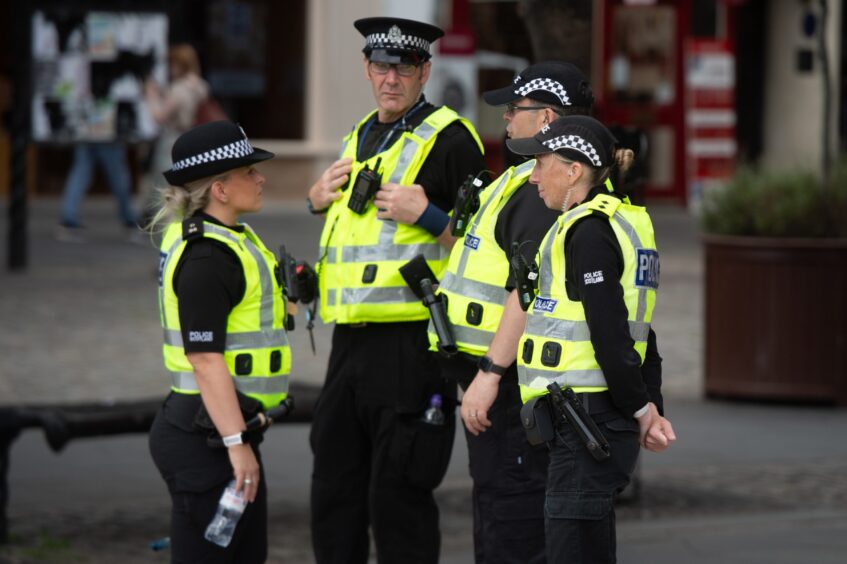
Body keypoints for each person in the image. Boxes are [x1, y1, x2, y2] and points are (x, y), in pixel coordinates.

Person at [306, 17, 487, 564]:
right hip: (349, 345)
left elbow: (485, 245)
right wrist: (318, 198)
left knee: (399, 494)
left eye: (404, 67)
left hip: (412, 344)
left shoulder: (452, 137)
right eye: (381, 66)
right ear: (367, 69)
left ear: (424, 71)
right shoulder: (359, 133)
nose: (391, 78)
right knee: (333, 488)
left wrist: (429, 215)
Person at [430, 61, 609, 563]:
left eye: (515, 109)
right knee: (497, 510)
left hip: (511, 386)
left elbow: (524, 289)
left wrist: (489, 374)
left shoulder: (544, 189)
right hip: (502, 381)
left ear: (548, 118)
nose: (506, 118)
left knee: (512, 522)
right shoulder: (525, 178)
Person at [506, 115, 676, 563]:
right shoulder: (613, 223)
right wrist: (649, 404)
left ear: (574, 170)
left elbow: (611, 333)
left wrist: (642, 409)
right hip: (592, 422)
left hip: (586, 426)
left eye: (541, 164)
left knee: (572, 551)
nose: (534, 176)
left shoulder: (589, 233)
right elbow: (642, 330)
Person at [147, 120, 291, 563]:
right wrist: (236, 445)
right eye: (249, 171)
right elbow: (206, 360)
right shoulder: (208, 257)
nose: (260, 177)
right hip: (207, 437)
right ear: (221, 190)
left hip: (221, 430)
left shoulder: (231, 239)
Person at [143, 43, 210, 225]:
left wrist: (152, 96)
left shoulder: (179, 89)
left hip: (172, 141)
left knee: (165, 187)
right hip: (192, 139)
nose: (170, 69)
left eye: (172, 64)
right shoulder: (200, 86)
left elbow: (160, 116)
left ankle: (166, 226)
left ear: (180, 65)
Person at [55, 141, 138, 242]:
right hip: (108, 134)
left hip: (86, 132)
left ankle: (69, 219)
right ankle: (129, 218)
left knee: (80, 172)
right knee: (117, 176)